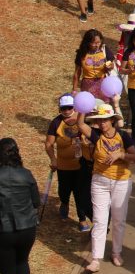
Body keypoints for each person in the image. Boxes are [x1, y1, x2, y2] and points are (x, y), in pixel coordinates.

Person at [75, 103, 135, 273]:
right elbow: (80, 125)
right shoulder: (96, 135)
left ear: (112, 120)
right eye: (99, 120)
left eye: (105, 120)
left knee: (119, 220)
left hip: (121, 181)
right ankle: (96, 258)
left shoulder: (124, 136)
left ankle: (116, 253)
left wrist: (121, 155)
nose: (102, 123)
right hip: (100, 181)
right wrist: (81, 107)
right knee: (99, 220)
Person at [45, 95, 93, 233]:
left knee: (80, 193)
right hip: (63, 166)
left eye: (69, 108)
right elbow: (49, 144)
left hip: (81, 165)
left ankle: (82, 218)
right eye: (63, 108)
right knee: (64, 190)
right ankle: (64, 202)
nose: (66, 111)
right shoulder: (56, 122)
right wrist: (53, 159)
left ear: (75, 107)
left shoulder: (82, 120)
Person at [0, 138, 41, 274]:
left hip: (4, 230)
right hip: (27, 228)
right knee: (22, 263)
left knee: (8, 273)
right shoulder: (26, 174)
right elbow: (36, 202)